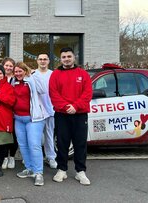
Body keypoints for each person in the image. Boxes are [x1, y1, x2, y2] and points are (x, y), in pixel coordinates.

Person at [50, 47, 92, 185]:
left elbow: (87, 94)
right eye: (63, 57)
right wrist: (66, 107)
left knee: (80, 143)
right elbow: (53, 94)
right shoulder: (55, 74)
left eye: (69, 56)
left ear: (74, 57)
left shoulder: (83, 74)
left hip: (80, 115)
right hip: (62, 115)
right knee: (62, 143)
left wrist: (76, 106)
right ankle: (62, 169)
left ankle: (80, 172)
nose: (66, 59)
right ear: (60, 59)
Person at [13, 62, 46, 186]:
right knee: (23, 145)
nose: (18, 74)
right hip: (18, 118)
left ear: (25, 70)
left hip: (33, 119)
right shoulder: (14, 82)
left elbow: (42, 90)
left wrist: (34, 75)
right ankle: (29, 168)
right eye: (16, 72)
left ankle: (38, 173)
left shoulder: (31, 79)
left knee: (34, 145)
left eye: (20, 71)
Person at [34, 53, 58, 169]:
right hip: (37, 111)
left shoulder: (53, 74)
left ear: (48, 61)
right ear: (37, 61)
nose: (42, 61)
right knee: (35, 136)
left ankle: (50, 157)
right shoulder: (33, 74)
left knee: (49, 135)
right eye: (40, 59)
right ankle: (33, 157)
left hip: (50, 109)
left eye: (45, 59)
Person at [1, 57, 18, 169]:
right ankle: (4, 157)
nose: (8, 67)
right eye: (6, 65)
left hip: (15, 111)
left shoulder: (17, 79)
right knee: (4, 136)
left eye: (10, 66)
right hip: (2, 112)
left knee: (15, 136)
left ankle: (12, 156)